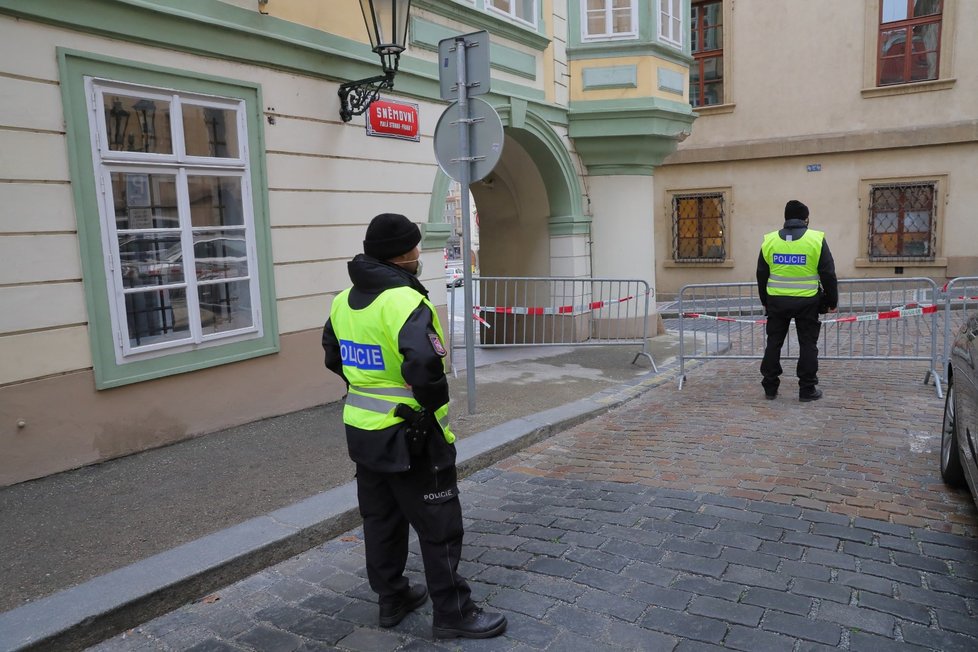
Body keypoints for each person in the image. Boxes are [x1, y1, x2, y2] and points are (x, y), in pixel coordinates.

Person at [321, 213, 507, 640]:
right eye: (416, 248)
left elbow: (334, 357)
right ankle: (453, 612)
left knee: (381, 519)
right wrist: (431, 406)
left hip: (363, 430)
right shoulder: (405, 301)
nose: (419, 254)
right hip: (413, 433)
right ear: (402, 255)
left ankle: (393, 598)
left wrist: (370, 383)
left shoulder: (343, 299)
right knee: (438, 521)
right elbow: (425, 368)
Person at [756, 200, 838, 402]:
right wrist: (831, 300)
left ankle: (770, 387)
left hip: (776, 301)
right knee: (808, 344)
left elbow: (761, 274)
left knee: (774, 343)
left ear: (786, 218)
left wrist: (765, 301)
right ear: (806, 219)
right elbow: (828, 273)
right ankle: (807, 389)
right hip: (807, 302)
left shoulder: (770, 240)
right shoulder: (816, 239)